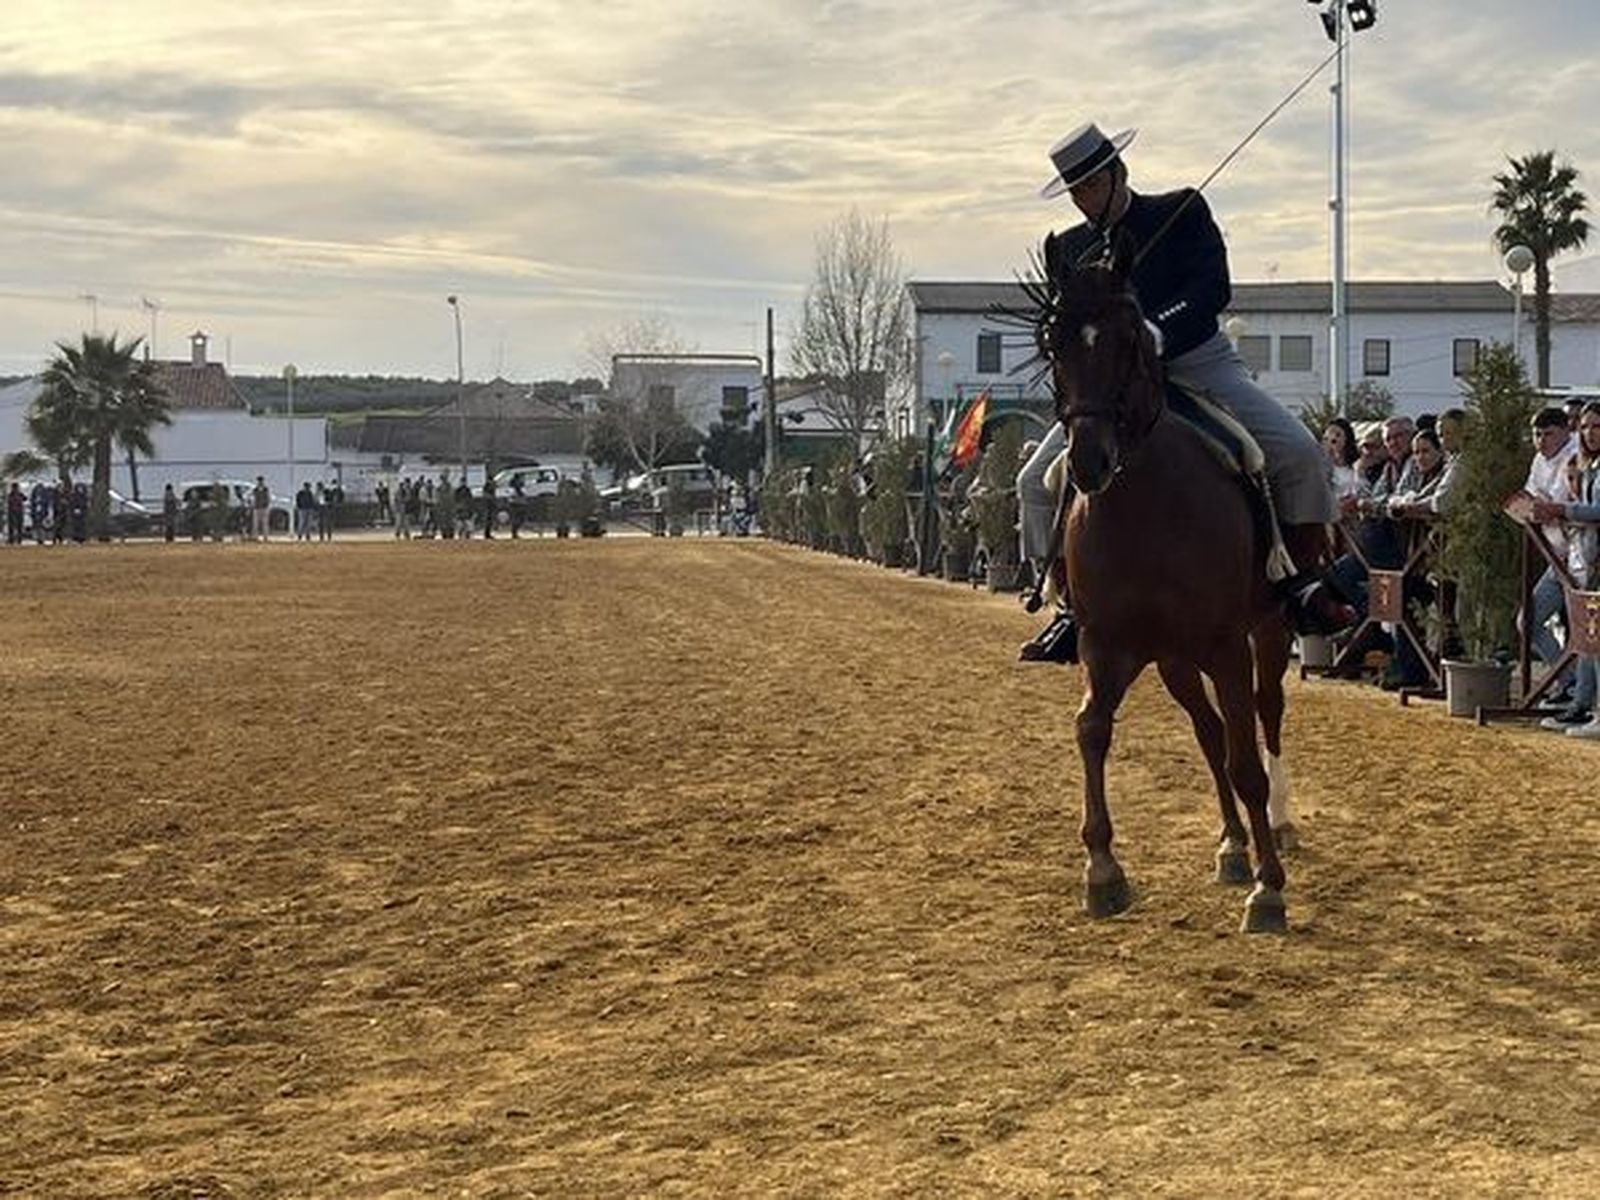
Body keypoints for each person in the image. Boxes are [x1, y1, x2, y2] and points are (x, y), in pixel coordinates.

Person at [1017, 122, 1352, 663]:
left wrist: (1156, 331)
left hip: (1197, 363)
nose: (1084, 201)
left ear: (1117, 174)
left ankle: (1300, 582)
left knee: (1299, 453)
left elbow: (1211, 288)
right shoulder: (1069, 249)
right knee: (1032, 480)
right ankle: (1067, 601)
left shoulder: (1180, 210)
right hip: (1112, 389)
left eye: (1092, 187)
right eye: (1075, 192)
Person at [1537, 401, 1600, 733]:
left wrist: (1563, 509)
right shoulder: (1588, 465)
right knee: (1586, 635)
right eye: (1586, 427)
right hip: (1581, 557)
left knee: (1593, 635)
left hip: (1592, 557)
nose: (1589, 433)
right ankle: (1580, 702)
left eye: (1596, 426)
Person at [1519, 406, 1580, 692]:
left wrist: (1546, 508)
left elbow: (1562, 503)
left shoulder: (1577, 455)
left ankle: (1583, 696)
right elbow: (1530, 497)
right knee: (1527, 622)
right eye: (1537, 435)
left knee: (1583, 630)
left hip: (1582, 558)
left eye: (1548, 434)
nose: (1541, 441)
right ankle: (1570, 683)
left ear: (1566, 431)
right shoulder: (1539, 460)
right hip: (1555, 558)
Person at [1322, 416, 1360, 504]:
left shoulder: (1356, 466)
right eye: (1327, 438)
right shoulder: (1322, 467)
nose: (1333, 440)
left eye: (1338, 435)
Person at [250, 475, 271, 542]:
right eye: (259, 481)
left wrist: (266, 504)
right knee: (255, 523)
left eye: (261, 481)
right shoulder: (255, 490)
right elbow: (253, 498)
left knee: (265, 523)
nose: (260, 482)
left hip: (264, 508)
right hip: (257, 508)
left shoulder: (265, 489)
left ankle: (265, 537)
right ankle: (256, 537)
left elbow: (268, 498)